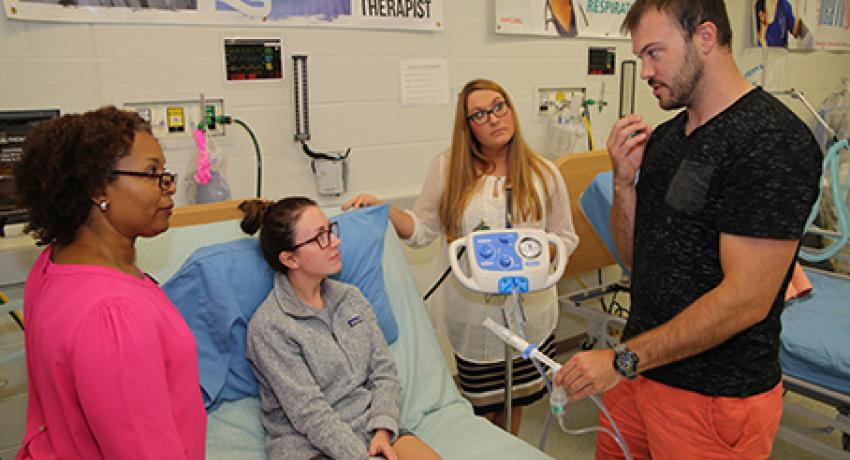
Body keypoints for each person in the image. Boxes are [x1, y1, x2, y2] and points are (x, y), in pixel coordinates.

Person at [554, 1, 822, 458]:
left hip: (712, 399)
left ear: (705, 37)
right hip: (640, 375)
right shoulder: (666, 139)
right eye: (640, 57)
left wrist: (622, 359)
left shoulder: (771, 141)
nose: (645, 71)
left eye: (654, 53)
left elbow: (746, 301)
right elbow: (638, 260)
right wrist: (623, 184)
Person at [344, 79, 579, 434]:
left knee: (516, 401)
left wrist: (534, 256)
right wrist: (383, 210)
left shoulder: (544, 173)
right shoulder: (447, 168)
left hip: (531, 311)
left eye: (499, 106)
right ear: (467, 126)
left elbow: (565, 236)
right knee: (481, 410)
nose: (494, 118)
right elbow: (421, 230)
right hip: (474, 316)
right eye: (479, 114)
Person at [13, 106, 206, 459]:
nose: (169, 187)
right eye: (152, 173)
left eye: (165, 172)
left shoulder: (54, 264)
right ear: (97, 188)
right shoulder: (113, 315)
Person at [240, 198, 441, 460]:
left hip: (370, 426)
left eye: (330, 230)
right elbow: (311, 415)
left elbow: (384, 372)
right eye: (320, 238)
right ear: (290, 258)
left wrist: (382, 429)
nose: (335, 242)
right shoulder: (270, 327)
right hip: (308, 445)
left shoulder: (350, 298)